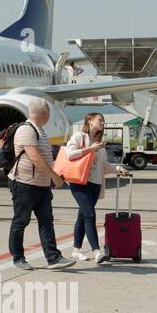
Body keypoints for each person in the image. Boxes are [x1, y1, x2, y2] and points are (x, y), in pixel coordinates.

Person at [7, 98, 75, 270]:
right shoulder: (26, 130)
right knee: (21, 221)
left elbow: (45, 158)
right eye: (49, 112)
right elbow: (35, 158)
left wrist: (58, 172)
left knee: (46, 221)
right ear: (43, 113)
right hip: (25, 184)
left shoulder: (40, 131)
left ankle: (53, 258)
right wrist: (55, 177)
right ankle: (18, 258)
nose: (50, 115)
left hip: (41, 185)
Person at [63, 112, 129, 264]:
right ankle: (97, 251)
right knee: (90, 215)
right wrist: (90, 149)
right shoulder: (79, 136)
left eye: (103, 121)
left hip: (95, 185)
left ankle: (76, 250)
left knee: (82, 216)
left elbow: (104, 167)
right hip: (79, 182)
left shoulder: (99, 143)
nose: (103, 123)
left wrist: (118, 168)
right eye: (100, 120)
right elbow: (69, 154)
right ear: (90, 121)